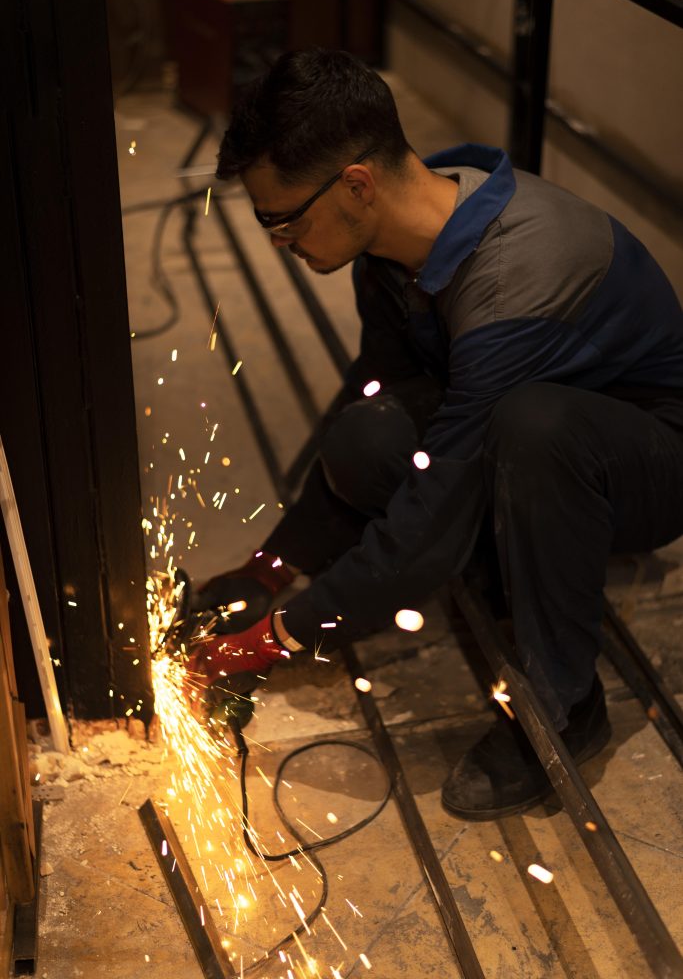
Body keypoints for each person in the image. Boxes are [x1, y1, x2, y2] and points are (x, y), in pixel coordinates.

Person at [187, 48, 683, 820]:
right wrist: (272, 568)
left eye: (282, 220)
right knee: (366, 432)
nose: (277, 242)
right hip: (523, 433)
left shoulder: (518, 281)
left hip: (647, 460)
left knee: (530, 430)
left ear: (356, 183)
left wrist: (270, 641)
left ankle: (563, 708)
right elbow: (379, 399)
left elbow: (430, 514)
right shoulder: (387, 245)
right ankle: (511, 539)